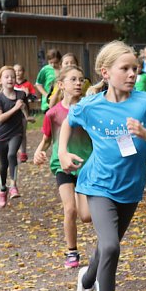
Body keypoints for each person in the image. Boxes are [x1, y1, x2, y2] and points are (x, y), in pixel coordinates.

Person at [59, 40, 146, 291]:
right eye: (125, 68)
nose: (132, 74)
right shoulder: (92, 105)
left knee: (105, 249)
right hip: (97, 184)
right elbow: (68, 121)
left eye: (135, 68)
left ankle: (86, 280)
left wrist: (145, 133)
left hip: (131, 187)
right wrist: (62, 152)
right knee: (111, 246)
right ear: (105, 72)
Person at [34, 65, 93, 269]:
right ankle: (72, 251)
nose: (78, 83)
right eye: (73, 79)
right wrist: (38, 152)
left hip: (86, 165)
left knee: (86, 216)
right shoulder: (53, 113)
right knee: (70, 209)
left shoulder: (88, 110)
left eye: (81, 80)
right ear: (61, 84)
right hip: (62, 166)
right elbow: (47, 139)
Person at [0, 65, 28, 207]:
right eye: (6, 77)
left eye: (12, 76)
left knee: (12, 154)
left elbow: (24, 109)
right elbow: (0, 118)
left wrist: (27, 116)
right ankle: (2, 189)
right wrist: (15, 108)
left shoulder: (21, 95)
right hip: (2, 134)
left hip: (16, 132)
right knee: (3, 165)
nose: (10, 79)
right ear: (0, 80)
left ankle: (13, 186)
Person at [13, 63, 39, 163]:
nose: (17, 73)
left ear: (23, 72)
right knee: (13, 133)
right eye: (15, 71)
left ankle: (23, 153)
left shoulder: (27, 84)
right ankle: (13, 151)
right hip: (12, 112)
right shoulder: (11, 84)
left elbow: (35, 97)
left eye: (19, 70)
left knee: (22, 133)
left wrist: (27, 94)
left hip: (24, 113)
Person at [35, 49, 61, 113]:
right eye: (51, 62)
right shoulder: (45, 69)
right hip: (47, 103)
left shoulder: (64, 69)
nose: (53, 65)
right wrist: (46, 95)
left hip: (61, 101)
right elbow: (38, 84)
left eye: (56, 62)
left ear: (60, 60)